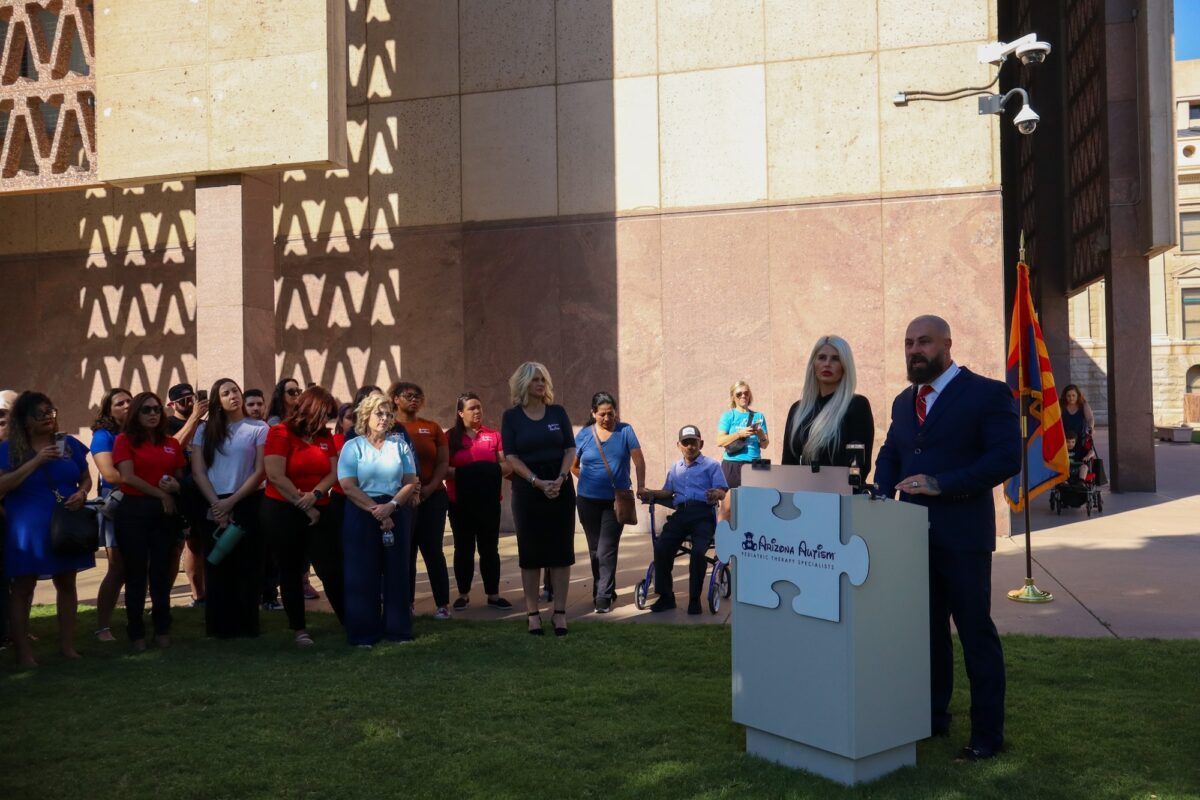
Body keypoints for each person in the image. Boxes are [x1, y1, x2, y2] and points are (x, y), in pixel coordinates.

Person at [873, 315, 1021, 762]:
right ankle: (932, 717)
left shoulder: (988, 393)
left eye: (924, 342)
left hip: (963, 538)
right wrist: (880, 493)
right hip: (910, 537)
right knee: (927, 633)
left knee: (975, 634)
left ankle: (987, 736)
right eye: (908, 343)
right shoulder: (904, 401)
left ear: (947, 344)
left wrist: (943, 484)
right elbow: (892, 451)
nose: (914, 350)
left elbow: (1006, 458)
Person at [0, 392, 93, 667]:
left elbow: (85, 478)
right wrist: (36, 461)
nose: (48, 418)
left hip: (65, 524)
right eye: (40, 414)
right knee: (23, 587)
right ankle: (24, 653)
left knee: (67, 582)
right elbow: (3, 486)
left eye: (50, 412)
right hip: (28, 527)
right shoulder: (9, 450)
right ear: (24, 420)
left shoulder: (68, 444)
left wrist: (82, 493)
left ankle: (68, 647)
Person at [260, 386, 344, 646]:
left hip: (320, 507)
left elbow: (334, 472)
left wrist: (316, 494)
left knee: (330, 567)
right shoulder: (280, 432)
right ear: (310, 410)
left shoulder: (325, 436)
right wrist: (305, 505)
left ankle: (349, 620)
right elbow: (275, 475)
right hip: (283, 510)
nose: (326, 421)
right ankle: (299, 628)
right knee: (291, 569)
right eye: (323, 414)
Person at [338, 392, 419, 646]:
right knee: (362, 573)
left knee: (397, 572)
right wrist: (377, 510)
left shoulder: (400, 446)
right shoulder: (353, 446)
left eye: (388, 414)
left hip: (396, 511)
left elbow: (411, 481)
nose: (384, 418)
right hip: (362, 511)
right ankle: (364, 633)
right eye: (379, 413)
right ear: (366, 416)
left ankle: (398, 630)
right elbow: (348, 485)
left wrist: (392, 506)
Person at [501, 362, 577, 636]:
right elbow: (511, 456)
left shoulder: (558, 412)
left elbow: (570, 448)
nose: (541, 384)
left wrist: (561, 478)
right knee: (531, 553)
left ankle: (560, 613)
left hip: (560, 487)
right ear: (523, 384)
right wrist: (537, 481)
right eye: (535, 380)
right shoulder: (511, 417)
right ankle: (533, 614)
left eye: (543, 379)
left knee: (561, 553)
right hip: (528, 490)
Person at [191, 378, 269, 638]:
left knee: (248, 564)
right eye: (226, 393)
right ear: (217, 400)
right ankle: (219, 627)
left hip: (247, 500)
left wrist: (231, 502)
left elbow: (260, 471)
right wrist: (217, 503)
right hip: (212, 501)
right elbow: (198, 470)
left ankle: (247, 626)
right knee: (216, 564)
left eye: (235, 391)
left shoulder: (258, 428)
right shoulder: (204, 431)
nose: (233, 396)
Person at [112, 391, 187, 650]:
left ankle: (162, 628)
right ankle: (136, 633)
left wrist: (174, 486)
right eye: (146, 410)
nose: (153, 414)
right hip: (133, 511)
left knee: (161, 573)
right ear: (136, 413)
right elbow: (127, 477)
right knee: (135, 574)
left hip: (164, 514)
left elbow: (179, 475)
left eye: (156, 409)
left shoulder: (171, 443)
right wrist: (161, 494)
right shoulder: (124, 440)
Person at [637, 425, 728, 615]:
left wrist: (716, 493)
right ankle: (666, 597)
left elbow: (722, 491)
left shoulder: (711, 465)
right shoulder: (675, 468)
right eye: (685, 443)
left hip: (703, 514)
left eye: (693, 442)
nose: (690, 447)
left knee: (698, 552)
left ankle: (694, 599)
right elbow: (667, 492)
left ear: (701, 443)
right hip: (681, 514)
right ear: (678, 445)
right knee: (662, 547)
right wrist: (650, 493)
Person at [572, 391, 645, 613]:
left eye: (610, 413)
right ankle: (603, 589)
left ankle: (602, 597)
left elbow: (639, 461)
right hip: (587, 501)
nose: (607, 418)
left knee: (606, 549)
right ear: (593, 413)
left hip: (615, 501)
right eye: (602, 414)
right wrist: (588, 480)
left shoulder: (625, 431)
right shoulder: (585, 435)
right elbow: (573, 465)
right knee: (595, 550)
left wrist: (641, 486)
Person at [388, 381, 452, 620]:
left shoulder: (432, 427)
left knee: (433, 550)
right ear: (395, 399)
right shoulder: (389, 427)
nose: (414, 399)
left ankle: (442, 605)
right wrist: (406, 493)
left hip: (432, 497)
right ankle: (408, 603)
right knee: (407, 552)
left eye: (418, 396)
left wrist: (429, 487)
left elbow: (443, 462)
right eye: (408, 395)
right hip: (401, 500)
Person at [446, 392, 511, 611]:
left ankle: (493, 594)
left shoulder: (493, 435)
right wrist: (470, 472)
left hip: (489, 503)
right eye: (471, 408)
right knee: (463, 549)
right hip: (460, 503)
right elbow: (443, 469)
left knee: (489, 549)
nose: (477, 411)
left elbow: (506, 466)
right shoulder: (450, 437)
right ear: (460, 413)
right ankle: (463, 594)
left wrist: (486, 470)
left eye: (479, 407)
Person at [781, 335, 876, 477]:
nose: (827, 364)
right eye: (821, 357)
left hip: (842, 489)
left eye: (835, 359)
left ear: (845, 366)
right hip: (802, 489)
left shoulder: (856, 406)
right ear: (813, 364)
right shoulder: (797, 410)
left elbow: (860, 467)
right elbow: (788, 465)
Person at [266, 377, 320, 600]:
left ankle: (304, 580)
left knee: (305, 544)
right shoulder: (275, 424)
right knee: (285, 551)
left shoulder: (305, 422)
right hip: (284, 493)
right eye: (291, 392)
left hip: (306, 489)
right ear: (281, 395)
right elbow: (276, 469)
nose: (296, 395)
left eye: (299, 391)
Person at [89, 387, 133, 642]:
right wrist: (144, 482)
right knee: (117, 568)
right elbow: (110, 474)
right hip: (117, 505)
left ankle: (134, 619)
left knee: (139, 566)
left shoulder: (138, 433)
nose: (127, 406)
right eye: (120, 403)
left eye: (129, 401)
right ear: (108, 409)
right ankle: (102, 626)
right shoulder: (102, 436)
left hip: (140, 501)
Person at [166, 382, 208, 607]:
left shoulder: (205, 425)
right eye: (183, 400)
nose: (190, 403)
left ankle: (202, 596)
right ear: (171, 404)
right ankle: (173, 597)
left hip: (202, 488)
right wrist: (193, 418)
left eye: (192, 398)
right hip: (177, 488)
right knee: (177, 546)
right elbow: (172, 448)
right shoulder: (166, 424)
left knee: (199, 542)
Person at [715, 381, 768, 520]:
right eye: (739, 394)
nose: (743, 396)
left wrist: (760, 434)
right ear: (733, 397)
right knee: (728, 507)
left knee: (754, 507)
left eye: (746, 393)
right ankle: (722, 533)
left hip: (755, 465)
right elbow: (720, 441)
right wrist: (739, 434)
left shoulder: (759, 416)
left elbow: (765, 445)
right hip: (733, 464)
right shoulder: (728, 416)